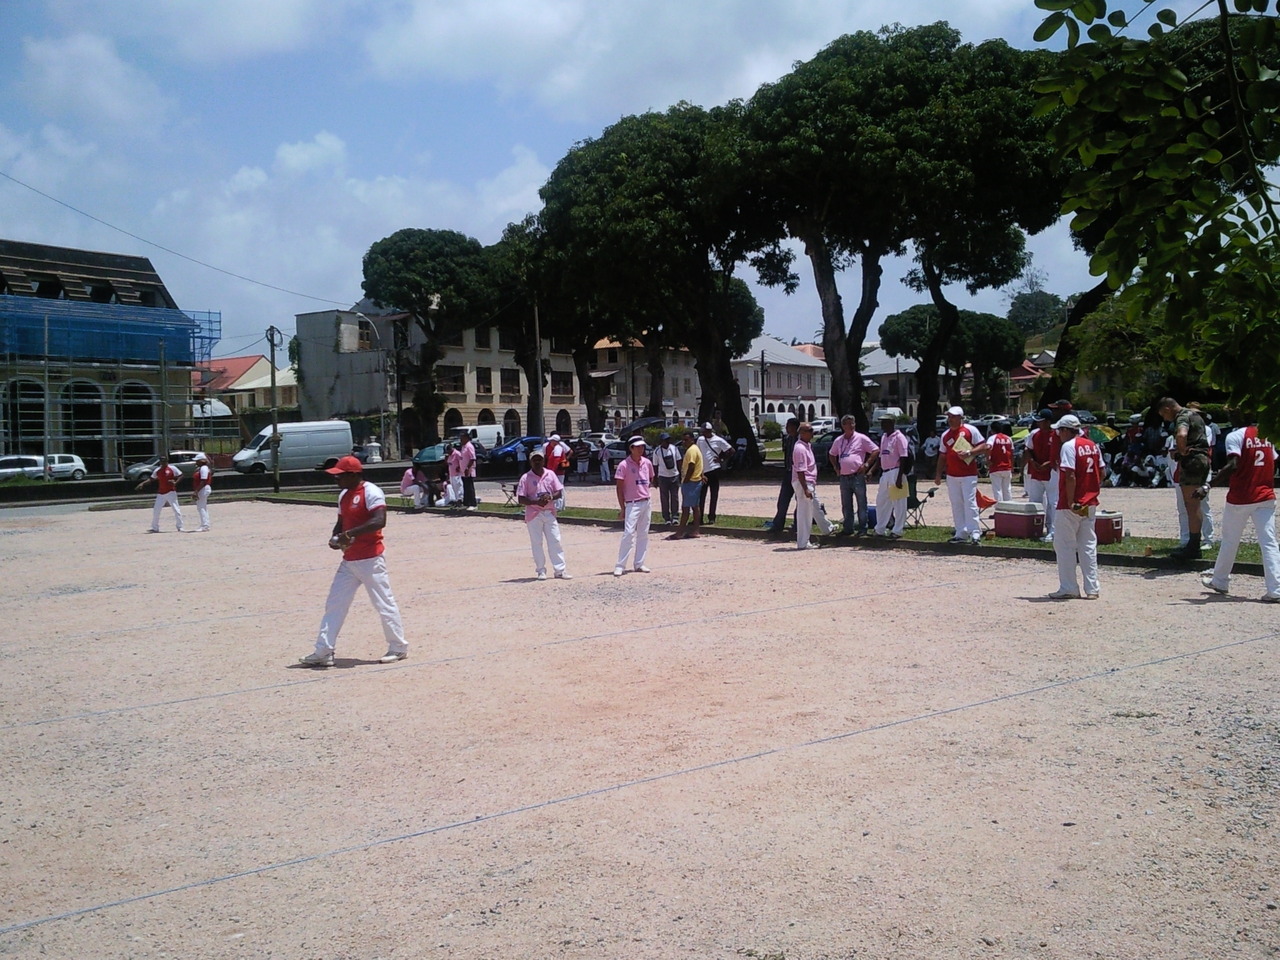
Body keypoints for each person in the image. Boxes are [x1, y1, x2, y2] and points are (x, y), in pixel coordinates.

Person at [298, 455, 408, 667]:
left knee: (383, 603)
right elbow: (340, 523)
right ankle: (323, 651)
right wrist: (335, 538)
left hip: (371, 559)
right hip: (349, 560)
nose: (336, 479)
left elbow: (379, 520)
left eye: (340, 475)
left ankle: (398, 647)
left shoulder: (371, 492)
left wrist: (349, 534)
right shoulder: (343, 495)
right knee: (335, 604)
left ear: (354, 475)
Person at [1201, 416, 1279, 602]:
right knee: (1269, 542)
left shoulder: (1235, 436)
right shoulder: (1265, 435)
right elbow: (1275, 460)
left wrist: (1208, 485)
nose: (1230, 415)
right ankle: (1275, 589)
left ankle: (1220, 580)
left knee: (1230, 540)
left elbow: (1233, 464)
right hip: (1265, 495)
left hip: (1241, 497)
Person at [1048, 414, 1103, 599]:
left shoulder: (1068, 446)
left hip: (1070, 504)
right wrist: (1091, 489)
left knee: (1064, 545)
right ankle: (1092, 588)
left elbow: (1070, 475)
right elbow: (1102, 471)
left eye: (1059, 431)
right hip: (1090, 501)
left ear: (1065, 430)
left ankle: (1069, 587)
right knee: (1088, 545)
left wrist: (1071, 500)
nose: (1058, 435)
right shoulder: (1092, 445)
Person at [1158, 397, 1212, 560]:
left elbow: (1182, 434)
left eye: (1164, 415)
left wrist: (1181, 452)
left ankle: (1193, 546)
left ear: (1167, 409)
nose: (1165, 419)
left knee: (1191, 505)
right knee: (1196, 504)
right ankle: (1195, 543)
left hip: (1192, 461)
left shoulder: (1182, 417)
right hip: (1202, 459)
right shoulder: (1195, 415)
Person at [934, 406, 988, 544]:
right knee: (956, 503)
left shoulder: (970, 430)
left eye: (953, 417)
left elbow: (984, 446)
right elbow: (942, 455)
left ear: (960, 418)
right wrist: (938, 474)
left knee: (969, 502)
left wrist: (969, 452)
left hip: (968, 474)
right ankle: (961, 532)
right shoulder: (945, 435)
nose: (950, 419)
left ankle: (975, 532)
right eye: (949, 417)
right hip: (952, 475)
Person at [517, 449, 570, 580]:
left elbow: (559, 492)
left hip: (549, 511)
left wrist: (550, 497)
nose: (537, 462)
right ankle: (541, 570)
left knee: (555, 540)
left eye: (539, 459)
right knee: (537, 543)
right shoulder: (525, 478)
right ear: (530, 462)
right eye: (534, 460)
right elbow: (521, 498)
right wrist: (536, 502)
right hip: (534, 513)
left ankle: (560, 570)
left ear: (544, 460)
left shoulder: (550, 474)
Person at [828, 415, 878, 536]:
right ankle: (848, 528)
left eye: (852, 423)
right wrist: (836, 467)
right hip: (844, 477)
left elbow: (876, 450)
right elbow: (832, 454)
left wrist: (866, 465)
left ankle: (862, 528)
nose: (851, 426)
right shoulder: (839, 440)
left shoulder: (861, 438)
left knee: (861, 504)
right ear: (843, 426)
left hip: (857, 476)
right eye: (848, 424)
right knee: (846, 505)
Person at [614, 437, 655, 576]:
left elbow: (650, 479)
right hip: (632, 503)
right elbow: (619, 488)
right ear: (631, 448)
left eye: (642, 446)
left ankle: (639, 563)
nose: (641, 449)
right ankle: (620, 565)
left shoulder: (647, 463)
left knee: (643, 533)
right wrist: (623, 507)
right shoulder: (624, 465)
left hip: (646, 501)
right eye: (637, 447)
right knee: (628, 534)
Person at [874, 413, 912, 539]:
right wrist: (872, 471)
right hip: (885, 472)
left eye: (885, 422)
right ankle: (880, 528)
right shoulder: (884, 437)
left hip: (896, 471)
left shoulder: (899, 437)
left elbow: (904, 457)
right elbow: (881, 456)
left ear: (892, 423)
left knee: (899, 503)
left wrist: (900, 477)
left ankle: (898, 530)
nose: (882, 424)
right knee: (882, 501)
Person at [1023, 409, 1058, 541]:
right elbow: (1028, 450)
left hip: (1051, 473)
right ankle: (1035, 528)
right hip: (1036, 472)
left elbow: (1060, 453)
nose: (1038, 423)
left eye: (1041, 421)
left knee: (1052, 503)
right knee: (1035, 501)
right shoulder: (1034, 434)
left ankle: (1052, 530)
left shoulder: (1056, 434)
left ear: (1048, 422)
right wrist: (1032, 461)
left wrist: (1048, 464)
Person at [792, 422, 824, 550]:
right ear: (802, 433)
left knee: (808, 512)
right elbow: (800, 471)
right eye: (809, 430)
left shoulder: (807, 445)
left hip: (808, 482)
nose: (812, 433)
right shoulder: (800, 448)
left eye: (812, 430)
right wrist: (805, 488)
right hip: (803, 482)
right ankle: (803, 542)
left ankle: (804, 541)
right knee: (805, 514)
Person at [765, 418, 800, 537]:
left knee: (800, 501)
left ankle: (797, 525)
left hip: (798, 474)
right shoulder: (787, 439)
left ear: (795, 427)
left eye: (789, 426)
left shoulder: (800, 440)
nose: (787, 428)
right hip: (788, 473)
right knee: (782, 501)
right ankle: (778, 525)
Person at [669, 430, 705, 540]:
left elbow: (692, 466)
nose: (684, 442)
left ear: (692, 440)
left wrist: (686, 480)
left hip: (691, 482)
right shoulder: (695, 449)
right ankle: (695, 531)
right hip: (695, 481)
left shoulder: (691, 451)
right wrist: (701, 474)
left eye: (686, 440)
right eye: (683, 440)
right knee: (695, 507)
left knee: (685, 508)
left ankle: (679, 532)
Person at [137, 454, 185, 533]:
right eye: (161, 461)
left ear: (167, 461)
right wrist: (143, 483)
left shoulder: (172, 468)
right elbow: (152, 479)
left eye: (164, 461)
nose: (163, 463)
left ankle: (180, 526)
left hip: (171, 491)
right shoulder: (157, 470)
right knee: (156, 510)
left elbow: (181, 475)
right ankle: (155, 527)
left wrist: (175, 482)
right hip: (161, 493)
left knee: (176, 509)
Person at [696, 422, 733, 524]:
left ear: (709, 431)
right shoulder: (700, 440)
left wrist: (721, 459)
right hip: (703, 471)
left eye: (705, 431)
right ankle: (699, 517)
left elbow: (731, 450)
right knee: (701, 495)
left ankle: (712, 517)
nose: (703, 433)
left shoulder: (718, 440)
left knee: (714, 494)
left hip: (714, 469)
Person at [651, 432, 683, 524]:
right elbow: (655, 466)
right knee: (664, 499)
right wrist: (655, 479)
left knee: (675, 497)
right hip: (663, 477)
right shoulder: (657, 451)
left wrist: (681, 475)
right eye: (665, 440)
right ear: (661, 441)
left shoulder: (674, 448)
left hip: (674, 476)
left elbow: (679, 461)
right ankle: (667, 518)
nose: (667, 442)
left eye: (668, 440)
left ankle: (675, 517)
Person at [986, 421, 1015, 502]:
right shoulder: (1008, 438)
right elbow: (1012, 453)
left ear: (992, 430)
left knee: (997, 489)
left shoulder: (992, 438)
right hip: (1007, 467)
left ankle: (999, 507)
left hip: (996, 466)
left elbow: (988, 447)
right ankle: (1009, 505)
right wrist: (1012, 466)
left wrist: (988, 460)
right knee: (1007, 489)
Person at [542, 433, 570, 510]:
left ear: (555, 441)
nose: (550, 442)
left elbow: (556, 461)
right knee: (558, 488)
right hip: (557, 472)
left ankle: (558, 506)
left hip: (557, 472)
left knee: (558, 488)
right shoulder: (557, 447)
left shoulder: (557, 448)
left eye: (551, 441)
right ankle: (560, 506)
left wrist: (552, 472)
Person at [191, 453, 213, 532]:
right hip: (202, 488)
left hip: (203, 488)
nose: (196, 462)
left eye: (197, 461)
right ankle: (205, 524)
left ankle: (205, 525)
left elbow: (203, 481)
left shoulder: (204, 468)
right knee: (203, 507)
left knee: (201, 507)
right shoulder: (201, 468)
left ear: (202, 461)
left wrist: (196, 491)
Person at [458, 433, 478, 512]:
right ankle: (466, 503)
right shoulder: (463, 446)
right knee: (465, 488)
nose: (461, 440)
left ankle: (473, 504)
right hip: (463, 471)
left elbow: (472, 458)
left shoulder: (469, 446)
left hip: (468, 471)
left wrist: (467, 468)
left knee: (470, 488)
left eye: (462, 438)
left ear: (466, 438)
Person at [446, 441, 464, 506]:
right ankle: (456, 500)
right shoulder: (449, 455)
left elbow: (462, 461)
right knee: (454, 488)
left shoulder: (457, 453)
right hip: (451, 474)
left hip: (457, 474)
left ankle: (460, 499)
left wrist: (459, 467)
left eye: (448, 451)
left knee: (458, 487)